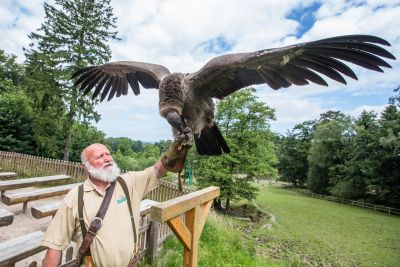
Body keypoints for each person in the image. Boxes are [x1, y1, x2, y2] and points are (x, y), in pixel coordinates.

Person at [41, 133, 191, 267]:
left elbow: (158, 170)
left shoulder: (128, 182)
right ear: (86, 167)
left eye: (108, 154)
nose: (107, 158)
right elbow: (55, 247)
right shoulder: (75, 197)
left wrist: (174, 151)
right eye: (100, 156)